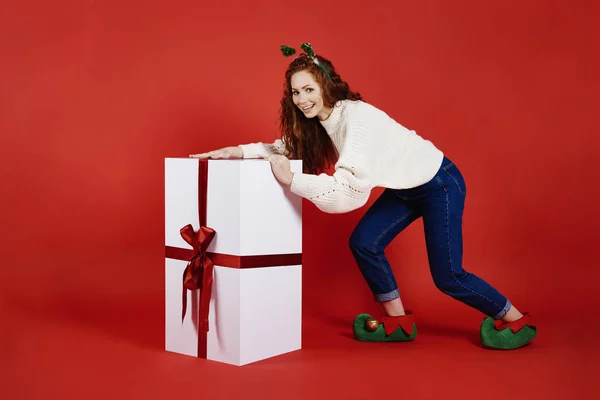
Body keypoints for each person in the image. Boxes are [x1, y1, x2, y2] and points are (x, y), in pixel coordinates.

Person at [190, 43, 537, 350]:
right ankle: (398, 322)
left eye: (308, 89)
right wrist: (236, 151)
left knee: (447, 276)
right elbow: (284, 147)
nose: (302, 100)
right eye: (295, 93)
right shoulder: (320, 122)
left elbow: (349, 195)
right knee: (364, 243)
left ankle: (516, 320)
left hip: (439, 182)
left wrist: (293, 180)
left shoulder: (356, 119)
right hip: (404, 188)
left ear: (325, 85)